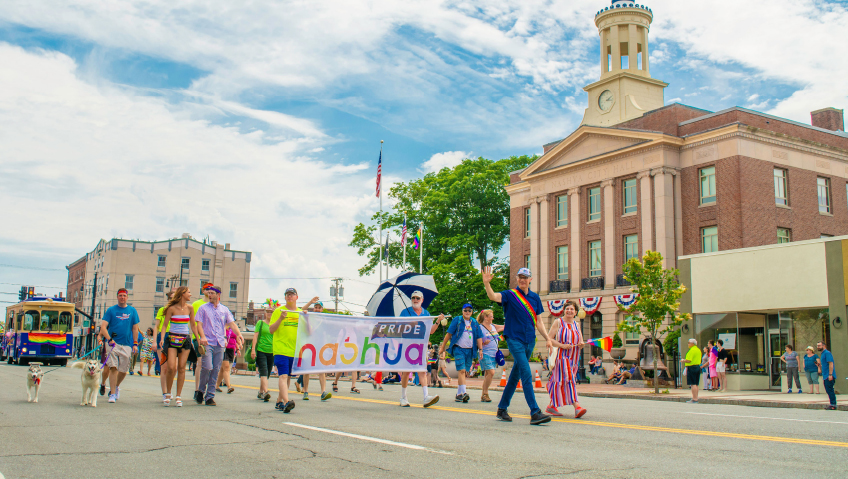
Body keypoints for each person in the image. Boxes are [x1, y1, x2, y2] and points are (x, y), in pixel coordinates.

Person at [482, 266, 553, 425]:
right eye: (520, 277)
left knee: (515, 376)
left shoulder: (535, 298)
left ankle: (502, 408)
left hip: (529, 341)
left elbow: (539, 322)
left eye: (525, 277)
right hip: (514, 339)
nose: (522, 279)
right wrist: (487, 283)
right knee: (526, 372)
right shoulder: (510, 295)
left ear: (530, 280)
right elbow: (493, 296)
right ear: (517, 279)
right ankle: (535, 412)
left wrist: (547, 338)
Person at [270, 288, 320, 412]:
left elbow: (309, 332)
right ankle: (287, 402)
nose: (289, 297)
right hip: (281, 349)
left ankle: (279, 401)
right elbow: (271, 330)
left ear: (297, 297)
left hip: (295, 350)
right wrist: (281, 318)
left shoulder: (300, 313)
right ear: (285, 297)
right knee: (283, 376)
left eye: (292, 295)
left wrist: (307, 318)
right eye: (287, 295)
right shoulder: (278, 311)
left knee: (287, 378)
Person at [194, 284, 243, 406]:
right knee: (207, 367)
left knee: (216, 369)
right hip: (207, 343)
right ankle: (200, 390)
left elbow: (232, 324)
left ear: (218, 295)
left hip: (220, 343)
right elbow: (198, 324)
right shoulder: (203, 308)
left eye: (212, 293)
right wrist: (202, 337)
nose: (209, 295)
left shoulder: (224, 310)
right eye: (208, 293)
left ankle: (210, 396)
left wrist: (239, 335)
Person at [398, 290, 442, 408]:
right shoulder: (405, 312)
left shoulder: (426, 313)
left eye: (418, 298)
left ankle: (426, 396)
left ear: (422, 300)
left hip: (420, 346)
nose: (415, 300)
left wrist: (438, 321)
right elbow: (400, 329)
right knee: (406, 372)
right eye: (413, 298)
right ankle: (403, 397)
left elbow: (431, 331)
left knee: (422, 370)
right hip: (408, 345)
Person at [546, 300, 587, 418]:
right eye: (567, 308)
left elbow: (581, 341)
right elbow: (550, 338)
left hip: (574, 357)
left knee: (561, 381)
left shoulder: (576, 325)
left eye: (572, 309)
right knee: (569, 380)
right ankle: (577, 407)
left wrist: (581, 344)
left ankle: (551, 406)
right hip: (561, 356)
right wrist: (561, 345)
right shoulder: (558, 322)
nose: (569, 311)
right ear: (564, 310)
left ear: (575, 312)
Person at [98, 288, 140, 404]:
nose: (122, 297)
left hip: (126, 344)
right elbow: (103, 327)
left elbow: (135, 328)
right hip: (113, 344)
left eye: (124, 296)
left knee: (123, 369)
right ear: (117, 297)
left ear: (127, 297)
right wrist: (109, 339)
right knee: (113, 368)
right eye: (120, 295)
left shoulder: (132, 311)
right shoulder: (111, 310)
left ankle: (116, 386)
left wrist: (135, 343)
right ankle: (112, 393)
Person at [159, 286, 197, 407]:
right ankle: (168, 393)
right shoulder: (171, 309)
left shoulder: (190, 308)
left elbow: (193, 325)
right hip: (172, 338)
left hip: (185, 339)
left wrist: (199, 338)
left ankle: (178, 396)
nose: (190, 294)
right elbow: (164, 325)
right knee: (171, 367)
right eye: (189, 292)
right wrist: (162, 338)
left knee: (181, 367)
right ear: (182, 294)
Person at [438, 302, 483, 403]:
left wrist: (480, 350)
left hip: (470, 350)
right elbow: (449, 334)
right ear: (462, 311)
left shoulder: (475, 323)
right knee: (461, 370)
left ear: (472, 312)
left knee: (465, 371)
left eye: (469, 310)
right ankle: (464, 393)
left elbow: (479, 337)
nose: (467, 312)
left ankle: (459, 394)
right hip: (458, 348)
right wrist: (443, 347)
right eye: (465, 310)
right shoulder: (457, 320)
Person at [477, 309, 503, 402]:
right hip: (485, 353)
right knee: (491, 372)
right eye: (491, 316)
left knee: (488, 374)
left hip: (494, 354)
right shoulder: (480, 327)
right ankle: (486, 393)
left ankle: (484, 394)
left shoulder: (493, 326)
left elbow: (505, 326)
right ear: (486, 317)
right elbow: (476, 339)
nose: (493, 318)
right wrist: (482, 344)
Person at [251, 308, 275, 402]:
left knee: (267, 373)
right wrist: (253, 350)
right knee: (264, 371)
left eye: (271, 312)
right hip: (261, 350)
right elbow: (255, 336)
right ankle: (266, 392)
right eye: (268, 311)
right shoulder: (260, 323)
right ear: (265, 313)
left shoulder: (275, 324)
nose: (269, 313)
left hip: (272, 351)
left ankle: (260, 392)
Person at [154, 291, 174, 397]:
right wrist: (154, 341)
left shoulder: (180, 311)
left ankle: (169, 389)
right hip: (163, 337)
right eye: (170, 298)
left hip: (176, 338)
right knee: (164, 367)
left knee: (173, 367)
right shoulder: (162, 310)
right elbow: (157, 326)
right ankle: (165, 392)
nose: (172, 300)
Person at [216, 327, 238, 394]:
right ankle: (229, 387)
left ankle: (216, 386)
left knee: (223, 369)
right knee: (226, 367)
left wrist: (239, 344)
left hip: (231, 350)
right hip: (223, 348)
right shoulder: (222, 326)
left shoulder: (232, 327)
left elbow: (236, 337)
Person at [680, 338, 702, 403]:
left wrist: (683, 360)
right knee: (696, 384)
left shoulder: (692, 350)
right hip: (697, 366)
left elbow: (689, 360)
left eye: (689, 343)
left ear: (692, 344)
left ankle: (694, 398)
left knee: (693, 384)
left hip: (692, 367)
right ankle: (696, 398)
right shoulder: (698, 350)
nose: (688, 344)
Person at [817, 341, 836, 410]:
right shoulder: (822, 354)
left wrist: (830, 374)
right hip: (825, 375)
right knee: (828, 390)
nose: (818, 347)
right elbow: (825, 365)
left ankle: (833, 404)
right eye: (817, 346)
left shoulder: (827, 353)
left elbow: (831, 363)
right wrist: (819, 366)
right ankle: (832, 403)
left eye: (819, 345)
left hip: (829, 375)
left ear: (824, 346)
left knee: (830, 390)